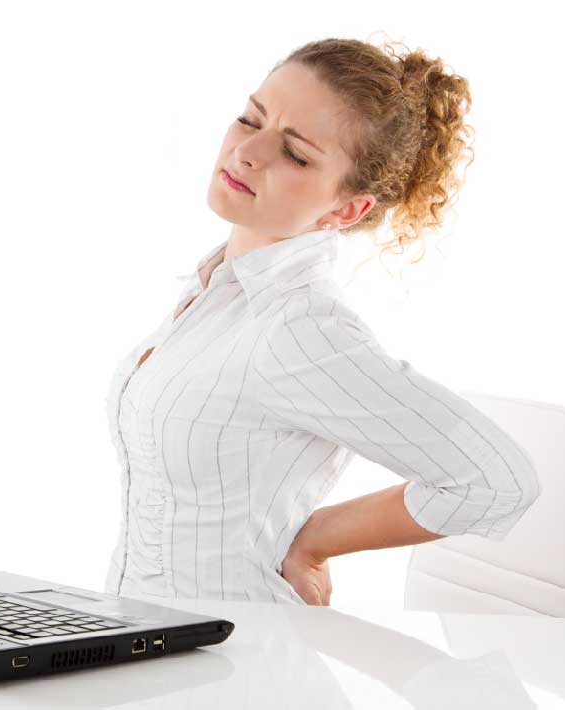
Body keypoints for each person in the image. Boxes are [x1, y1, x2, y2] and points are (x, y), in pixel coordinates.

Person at [103, 36, 541, 605]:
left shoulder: (299, 329)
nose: (247, 152)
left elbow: (497, 481)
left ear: (346, 209)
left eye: (297, 154)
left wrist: (313, 539)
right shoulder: (216, 291)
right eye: (248, 119)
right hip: (147, 649)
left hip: (232, 673)